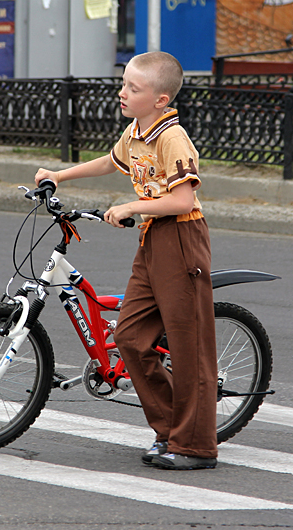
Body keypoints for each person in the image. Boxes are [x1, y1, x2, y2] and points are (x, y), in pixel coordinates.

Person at [34, 52, 218, 471]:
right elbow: (109, 162)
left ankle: (195, 445)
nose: (123, 92)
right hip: (153, 240)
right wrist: (60, 176)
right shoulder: (136, 131)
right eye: (124, 84)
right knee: (132, 338)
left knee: (190, 349)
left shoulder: (172, 137)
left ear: (160, 99)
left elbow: (182, 198)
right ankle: (171, 428)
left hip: (182, 239)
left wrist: (132, 205)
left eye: (133, 88)